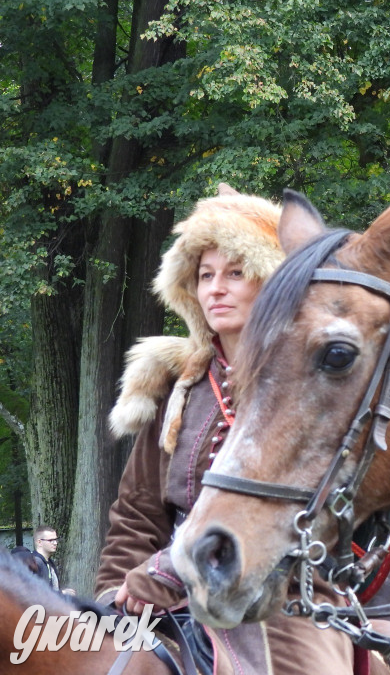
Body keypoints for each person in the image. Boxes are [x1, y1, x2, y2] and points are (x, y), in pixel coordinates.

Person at [95, 185, 356, 675]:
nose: (216, 288)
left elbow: (323, 515)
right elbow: (137, 510)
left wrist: (176, 571)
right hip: (167, 595)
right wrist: (115, 597)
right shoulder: (182, 386)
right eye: (206, 275)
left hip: (286, 597)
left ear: (272, 280)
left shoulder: (317, 380)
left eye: (236, 273)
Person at [32, 525, 62, 591]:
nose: (55, 543)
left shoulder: (49, 562)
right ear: (39, 542)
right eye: (51, 540)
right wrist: (62, 593)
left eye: (56, 540)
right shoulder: (35, 563)